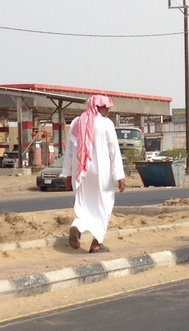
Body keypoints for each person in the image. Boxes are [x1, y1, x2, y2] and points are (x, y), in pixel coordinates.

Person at [62, 95, 126, 253]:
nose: (108, 111)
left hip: (80, 174)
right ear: (100, 108)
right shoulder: (106, 124)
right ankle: (96, 244)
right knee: (104, 206)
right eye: (106, 108)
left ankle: (77, 227)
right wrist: (120, 175)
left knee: (84, 206)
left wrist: (67, 174)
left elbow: (69, 151)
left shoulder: (76, 122)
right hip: (101, 174)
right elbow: (114, 151)